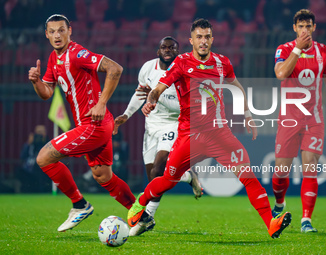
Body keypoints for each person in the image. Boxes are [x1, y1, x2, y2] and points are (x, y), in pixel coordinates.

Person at [127, 18, 292, 239]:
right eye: (199, 37)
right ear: (191, 40)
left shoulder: (223, 63)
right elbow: (159, 87)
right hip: (190, 137)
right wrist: (152, 100)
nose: (203, 41)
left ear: (212, 39)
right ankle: (141, 202)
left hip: (219, 134)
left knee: (248, 176)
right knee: (167, 179)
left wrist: (247, 115)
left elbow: (237, 87)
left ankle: (271, 223)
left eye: (207, 37)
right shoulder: (181, 63)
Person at [28, 14, 136, 232]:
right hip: (95, 125)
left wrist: (101, 103)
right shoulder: (53, 58)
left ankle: (80, 205)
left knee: (44, 158)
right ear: (46, 35)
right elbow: (47, 93)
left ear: (70, 31)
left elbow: (115, 69)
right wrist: (37, 82)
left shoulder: (77, 53)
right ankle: (140, 215)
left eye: (61, 30)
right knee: (103, 176)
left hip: (93, 124)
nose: (57, 35)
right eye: (52, 31)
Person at [114, 36, 202, 236]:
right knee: (154, 178)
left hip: (174, 122)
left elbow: (186, 102)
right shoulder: (147, 68)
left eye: (172, 47)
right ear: (158, 51)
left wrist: (157, 99)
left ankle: (147, 219)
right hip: (151, 125)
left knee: (157, 170)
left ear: (178, 52)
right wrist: (126, 116)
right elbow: (140, 94)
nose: (168, 50)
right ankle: (188, 176)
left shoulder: (184, 71)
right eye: (164, 47)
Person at [271, 9, 326, 233]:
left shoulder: (324, 52)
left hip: (314, 119)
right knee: (281, 172)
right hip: (289, 120)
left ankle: (306, 220)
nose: (304, 30)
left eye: (308, 26)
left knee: (310, 166)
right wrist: (298, 50)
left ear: (314, 28)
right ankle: (279, 203)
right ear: (295, 28)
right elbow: (281, 74)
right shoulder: (284, 49)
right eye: (301, 26)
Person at [18, 125, 51, 192]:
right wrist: (28, 143)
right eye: (38, 132)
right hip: (30, 171)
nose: (40, 134)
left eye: (42, 132)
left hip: (43, 170)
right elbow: (22, 156)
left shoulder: (48, 143)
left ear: (45, 133)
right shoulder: (31, 144)